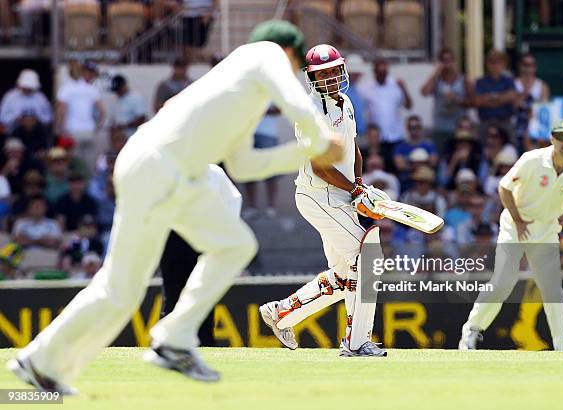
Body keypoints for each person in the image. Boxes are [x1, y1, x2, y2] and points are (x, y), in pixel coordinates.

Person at [8, 19, 343, 393]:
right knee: (122, 289)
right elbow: (294, 100)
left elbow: (247, 165)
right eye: (296, 64)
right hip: (157, 168)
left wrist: (311, 150)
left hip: (175, 177)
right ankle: (167, 340)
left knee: (225, 249)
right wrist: (319, 135)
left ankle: (43, 361)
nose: (293, 72)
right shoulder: (261, 53)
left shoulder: (241, 97)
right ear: (290, 52)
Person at [259, 44, 387, 357]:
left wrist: (358, 184)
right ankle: (356, 344)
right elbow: (321, 166)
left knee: (346, 275)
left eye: (333, 70)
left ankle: (282, 313)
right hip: (318, 196)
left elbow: (353, 148)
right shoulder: (309, 112)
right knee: (367, 257)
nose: (330, 77)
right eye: (323, 73)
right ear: (312, 78)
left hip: (340, 195)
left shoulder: (345, 102)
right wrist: (355, 191)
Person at [459, 119, 563, 351]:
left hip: (546, 232)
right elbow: (504, 187)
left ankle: (562, 347)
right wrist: (518, 220)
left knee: (551, 289)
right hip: (514, 227)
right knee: (502, 283)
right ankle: (471, 330)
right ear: (552, 138)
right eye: (560, 136)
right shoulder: (532, 160)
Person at [360, 58, 412, 172]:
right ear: (374, 72)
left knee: (395, 167)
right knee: (379, 167)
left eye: (384, 72)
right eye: (379, 72)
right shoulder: (365, 88)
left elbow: (408, 105)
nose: (382, 74)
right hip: (378, 138)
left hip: (396, 136)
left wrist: (404, 88)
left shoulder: (396, 85)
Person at [56, 64, 105, 168]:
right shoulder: (91, 89)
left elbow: (61, 110)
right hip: (89, 130)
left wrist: (60, 129)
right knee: (89, 164)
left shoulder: (66, 89)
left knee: (76, 164)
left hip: (72, 130)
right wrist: (98, 126)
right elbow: (102, 111)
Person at [420, 48, 470, 151]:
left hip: (458, 128)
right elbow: (424, 92)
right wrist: (435, 73)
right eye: (444, 61)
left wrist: (457, 99)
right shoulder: (436, 80)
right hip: (439, 127)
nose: (447, 64)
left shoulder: (463, 79)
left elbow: (474, 102)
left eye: (450, 60)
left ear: (454, 62)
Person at [472, 50, 518, 143]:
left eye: (498, 62)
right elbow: (477, 101)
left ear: (504, 64)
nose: (495, 65)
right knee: (479, 146)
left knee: (512, 145)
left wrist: (489, 97)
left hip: (504, 121)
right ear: (487, 64)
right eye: (492, 62)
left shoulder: (509, 80)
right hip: (486, 121)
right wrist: (500, 98)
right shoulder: (480, 82)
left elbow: (511, 97)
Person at [515, 53, 551, 151]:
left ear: (535, 67)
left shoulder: (542, 86)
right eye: (525, 64)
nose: (528, 68)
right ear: (520, 66)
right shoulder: (513, 83)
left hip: (535, 122)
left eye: (531, 65)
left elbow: (544, 109)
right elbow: (513, 106)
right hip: (516, 121)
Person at [0, 69, 52, 134]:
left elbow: (48, 117)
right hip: (14, 133)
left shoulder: (41, 98)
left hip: (37, 134)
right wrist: (17, 119)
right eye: (25, 87)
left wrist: (36, 120)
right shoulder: (10, 97)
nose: (27, 90)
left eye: (29, 88)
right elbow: (2, 117)